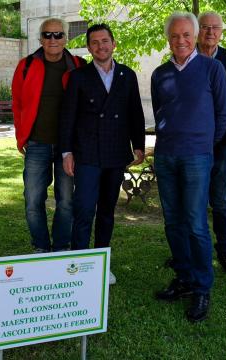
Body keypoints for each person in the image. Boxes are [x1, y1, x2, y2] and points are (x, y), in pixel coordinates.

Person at [151, 12, 226, 322]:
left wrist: (204, 145)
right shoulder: (160, 74)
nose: (180, 40)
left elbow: (224, 114)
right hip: (166, 156)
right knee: (173, 220)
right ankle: (184, 278)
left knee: (196, 222)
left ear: (195, 36)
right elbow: (161, 110)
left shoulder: (213, 68)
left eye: (186, 35)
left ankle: (202, 286)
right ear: (168, 38)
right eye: (175, 35)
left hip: (198, 156)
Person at [60, 24, 145, 285]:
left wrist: (138, 145)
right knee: (84, 210)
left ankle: (100, 264)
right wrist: (67, 152)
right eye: (94, 42)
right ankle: (76, 264)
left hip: (116, 153)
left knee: (107, 211)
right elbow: (68, 117)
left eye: (105, 41)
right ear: (88, 48)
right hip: (86, 153)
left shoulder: (127, 75)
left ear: (114, 43)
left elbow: (135, 113)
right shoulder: (78, 77)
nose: (100, 46)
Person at [11, 18, 85, 253]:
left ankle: (61, 247)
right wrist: (21, 136)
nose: (53, 40)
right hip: (37, 144)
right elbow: (18, 103)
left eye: (58, 35)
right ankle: (41, 247)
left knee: (66, 201)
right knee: (33, 200)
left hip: (68, 148)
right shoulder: (26, 65)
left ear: (65, 38)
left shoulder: (78, 65)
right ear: (41, 39)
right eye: (48, 35)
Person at [196, 11, 226, 273]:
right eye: (205, 27)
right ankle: (193, 250)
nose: (210, 32)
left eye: (215, 28)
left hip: (221, 142)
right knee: (193, 200)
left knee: (220, 199)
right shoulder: (186, 56)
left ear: (221, 32)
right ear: (197, 30)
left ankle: (223, 249)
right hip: (192, 145)